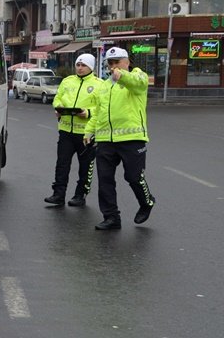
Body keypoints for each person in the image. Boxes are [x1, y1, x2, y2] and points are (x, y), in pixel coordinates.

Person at [84, 47, 156, 230]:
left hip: (132, 138)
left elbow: (139, 83)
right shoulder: (105, 86)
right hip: (106, 140)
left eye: (118, 62)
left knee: (133, 177)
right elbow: (99, 112)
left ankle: (146, 202)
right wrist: (89, 131)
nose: (114, 66)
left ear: (127, 62)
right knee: (105, 179)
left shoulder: (137, 76)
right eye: (111, 63)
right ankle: (111, 217)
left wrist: (122, 76)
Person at [44, 54, 103, 208]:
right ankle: (58, 194)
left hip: (86, 133)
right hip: (65, 131)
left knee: (85, 167)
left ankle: (80, 195)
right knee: (62, 164)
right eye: (78, 65)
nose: (80, 68)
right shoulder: (67, 81)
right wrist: (58, 107)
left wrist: (88, 112)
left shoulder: (99, 84)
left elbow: (102, 107)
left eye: (83, 65)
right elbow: (58, 98)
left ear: (91, 67)